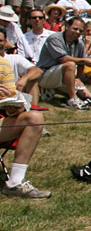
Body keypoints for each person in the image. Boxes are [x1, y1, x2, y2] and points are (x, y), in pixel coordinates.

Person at [0, 33, 48, 199]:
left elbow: (10, 105)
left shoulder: (4, 66)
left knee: (34, 118)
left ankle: (14, 183)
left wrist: (12, 106)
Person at [29, 16, 91, 109]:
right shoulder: (55, 38)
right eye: (75, 29)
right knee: (70, 64)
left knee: (88, 96)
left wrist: (78, 78)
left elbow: (81, 65)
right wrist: (84, 60)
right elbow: (64, 59)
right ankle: (72, 100)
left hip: (64, 74)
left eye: (80, 31)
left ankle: (53, 90)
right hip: (45, 74)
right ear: (67, 27)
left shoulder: (79, 43)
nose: (77, 32)